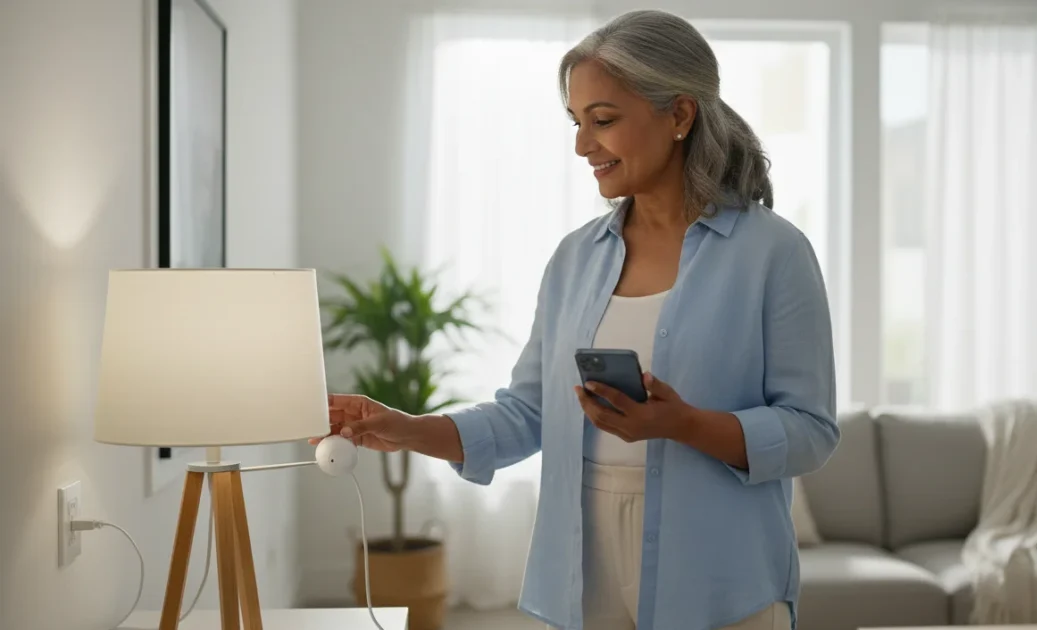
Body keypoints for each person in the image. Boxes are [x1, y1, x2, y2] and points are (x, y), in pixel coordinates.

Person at [316, 9, 839, 630]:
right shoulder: (574, 259)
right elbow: (529, 413)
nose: (582, 145)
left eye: (604, 121)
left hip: (723, 578)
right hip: (582, 573)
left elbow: (810, 430)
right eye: (576, 122)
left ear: (679, 115)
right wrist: (407, 429)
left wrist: (684, 425)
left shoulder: (773, 253)